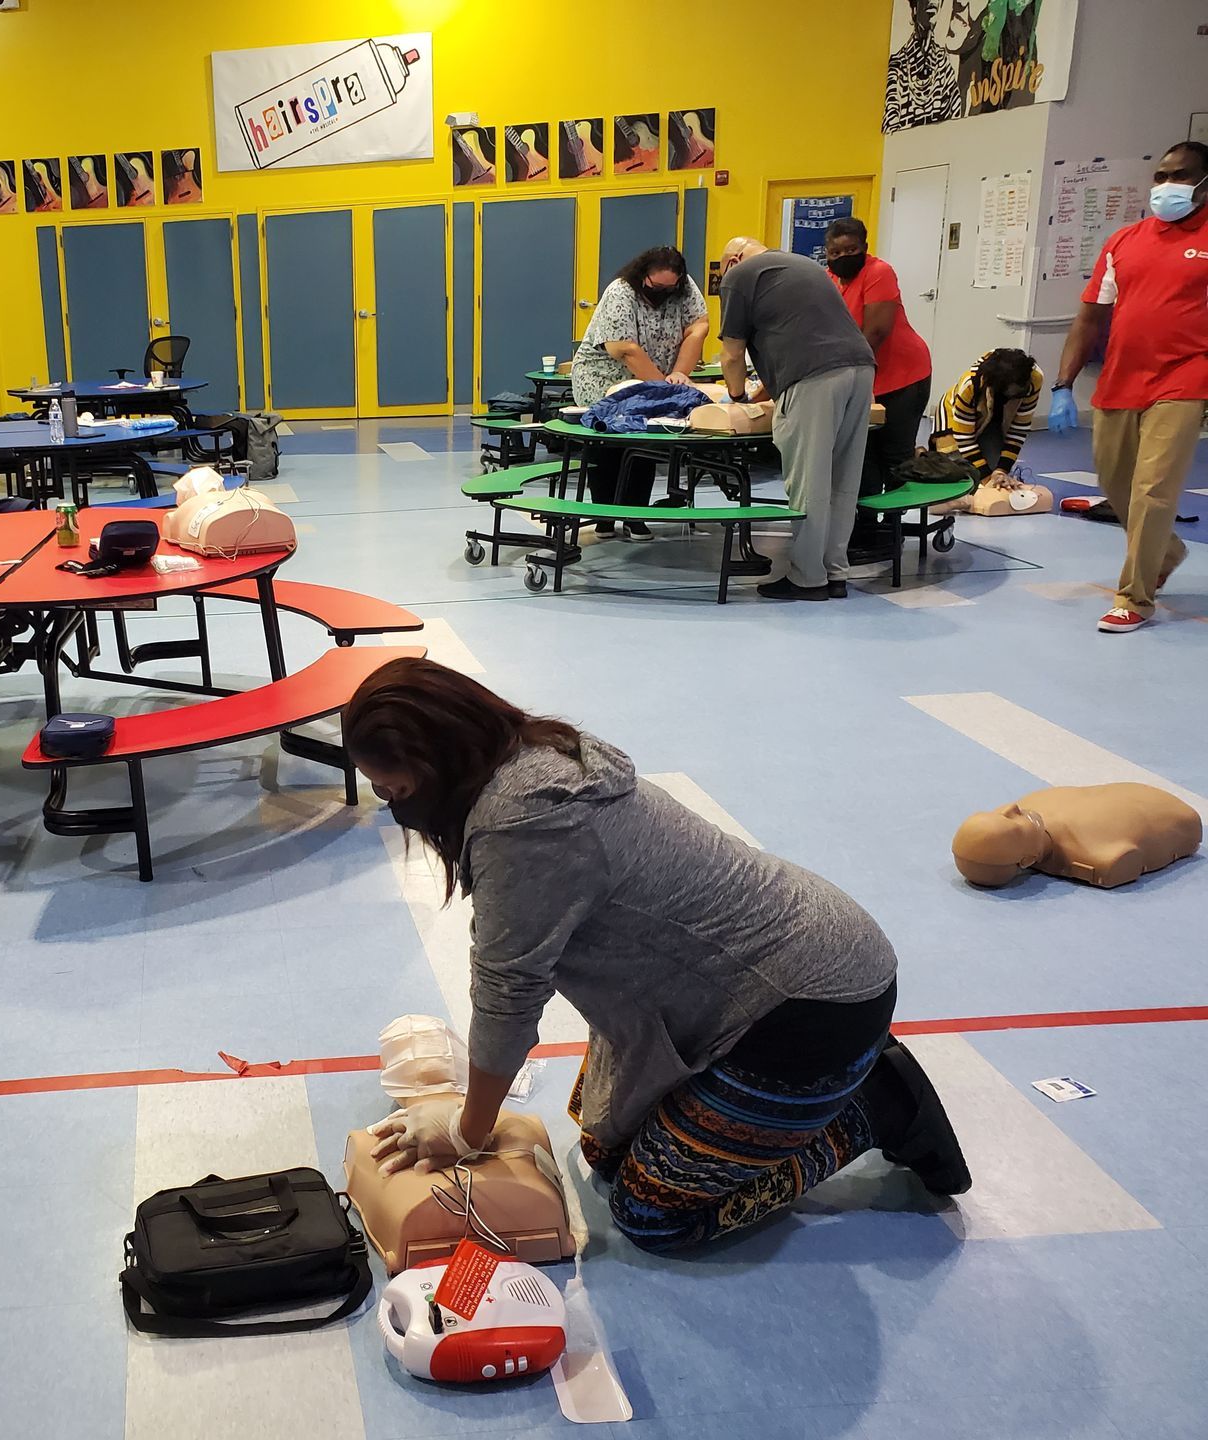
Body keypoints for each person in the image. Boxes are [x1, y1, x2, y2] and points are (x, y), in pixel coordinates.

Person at [351, 658, 968, 1254]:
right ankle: (819, 1091)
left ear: (439, 760)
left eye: (392, 785)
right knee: (605, 1152)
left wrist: (467, 1131)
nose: (384, 797)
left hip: (806, 1006)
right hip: (761, 971)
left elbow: (508, 994)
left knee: (652, 1216)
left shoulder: (523, 824)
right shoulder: (534, 752)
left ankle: (875, 1105)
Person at [1050, 141, 1208, 634]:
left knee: (1153, 490)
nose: (1166, 185)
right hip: (1122, 378)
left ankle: (1134, 597)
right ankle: (1169, 551)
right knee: (1116, 484)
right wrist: (1063, 383)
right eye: (1160, 175)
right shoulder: (1124, 241)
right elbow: (1090, 316)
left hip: (1186, 377)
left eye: (1179, 176)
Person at [718, 237, 877, 600]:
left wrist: (739, 400)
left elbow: (731, 355)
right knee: (843, 478)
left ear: (735, 259)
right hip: (860, 368)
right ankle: (835, 572)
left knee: (810, 480)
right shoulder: (803, 265)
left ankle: (807, 578)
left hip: (813, 376)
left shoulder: (739, 275)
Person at [570, 247, 710, 536]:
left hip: (651, 379)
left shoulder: (684, 288)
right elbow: (625, 349)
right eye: (657, 287)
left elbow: (698, 327)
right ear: (642, 275)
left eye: (670, 287)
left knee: (644, 442)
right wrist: (664, 392)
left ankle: (635, 516)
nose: (664, 292)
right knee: (608, 444)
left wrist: (680, 374)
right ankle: (605, 518)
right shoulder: (620, 292)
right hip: (605, 379)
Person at [823, 217, 934, 563]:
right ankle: (865, 525)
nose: (843, 256)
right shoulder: (829, 279)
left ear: (864, 247)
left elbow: (876, 331)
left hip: (902, 375)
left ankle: (893, 529)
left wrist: (854, 376)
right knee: (861, 455)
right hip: (861, 376)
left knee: (894, 456)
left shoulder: (878, 272)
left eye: (851, 250)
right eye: (835, 251)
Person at [934, 348, 1042, 488]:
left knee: (994, 471)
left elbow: (1018, 431)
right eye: (1014, 392)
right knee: (960, 479)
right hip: (954, 420)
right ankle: (922, 456)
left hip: (993, 421)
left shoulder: (1034, 378)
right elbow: (964, 439)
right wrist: (986, 480)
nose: (1020, 394)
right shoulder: (970, 384)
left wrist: (1000, 471)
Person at [884, 0, 963, 133]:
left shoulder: (943, 65)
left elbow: (956, 120)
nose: (932, 1)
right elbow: (891, 126)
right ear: (914, 8)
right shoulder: (897, 69)